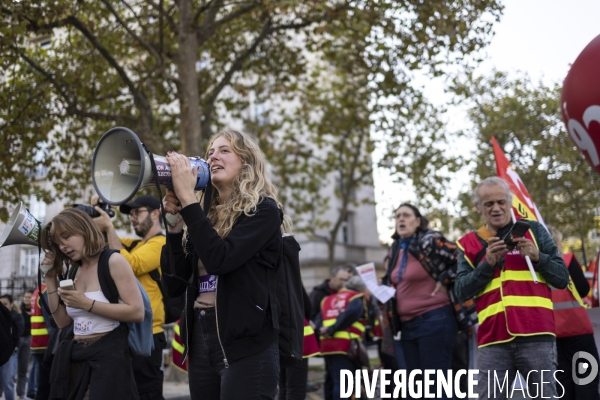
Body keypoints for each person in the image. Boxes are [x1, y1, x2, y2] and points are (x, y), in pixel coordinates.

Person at [161, 129, 291, 400]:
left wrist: (187, 201)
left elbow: (221, 259)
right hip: (201, 336)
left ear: (246, 162)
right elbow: (173, 285)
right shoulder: (202, 216)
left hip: (245, 341)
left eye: (224, 150)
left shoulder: (264, 211)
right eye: (210, 152)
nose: (213, 157)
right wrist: (174, 227)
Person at [454, 177, 569, 399]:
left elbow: (562, 279)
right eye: (489, 204)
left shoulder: (534, 231)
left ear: (510, 202)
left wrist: (538, 257)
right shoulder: (468, 243)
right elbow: (461, 291)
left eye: (501, 202)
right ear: (479, 208)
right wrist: (486, 265)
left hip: (536, 334)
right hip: (492, 339)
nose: (496, 208)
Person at [40, 208, 144, 400]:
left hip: (109, 360)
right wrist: (50, 278)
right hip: (77, 358)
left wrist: (86, 303)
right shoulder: (73, 271)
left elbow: (137, 312)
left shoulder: (113, 261)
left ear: (84, 230)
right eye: (58, 242)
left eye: (67, 236)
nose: (63, 246)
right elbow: (62, 321)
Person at [91, 194, 167, 400]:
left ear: (155, 213)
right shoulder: (135, 244)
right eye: (130, 214)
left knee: (147, 392)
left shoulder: (161, 243)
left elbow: (131, 265)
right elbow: (103, 246)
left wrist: (109, 227)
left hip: (148, 334)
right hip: (128, 331)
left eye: (137, 213)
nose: (132, 218)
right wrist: (97, 210)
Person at [381, 203, 459, 399]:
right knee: (416, 390)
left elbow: (463, 258)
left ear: (418, 221)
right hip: (406, 326)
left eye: (406, 215)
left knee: (435, 387)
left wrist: (444, 278)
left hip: (434, 320)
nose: (400, 219)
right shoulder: (396, 250)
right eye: (397, 216)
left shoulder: (430, 240)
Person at [547, 225, 600, 400]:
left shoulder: (532, 269)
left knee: (562, 382)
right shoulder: (566, 260)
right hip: (578, 330)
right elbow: (583, 290)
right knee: (586, 377)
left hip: (551, 334)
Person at [315, 275, 369, 400]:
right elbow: (350, 315)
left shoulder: (327, 299)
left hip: (327, 346)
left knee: (332, 381)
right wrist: (332, 329)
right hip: (346, 346)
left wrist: (323, 330)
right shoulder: (355, 297)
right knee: (344, 384)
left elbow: (318, 321)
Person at [1, 294, 25, 400]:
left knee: (7, 382)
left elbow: (18, 333)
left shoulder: (15, 317)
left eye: (5, 304)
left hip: (10, 353)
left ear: (11, 304)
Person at [16, 290, 33, 400]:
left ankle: (21, 394)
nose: (26, 299)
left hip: (29, 340)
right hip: (18, 340)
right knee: (11, 369)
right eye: (25, 297)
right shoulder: (19, 311)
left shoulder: (35, 311)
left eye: (29, 297)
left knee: (23, 369)